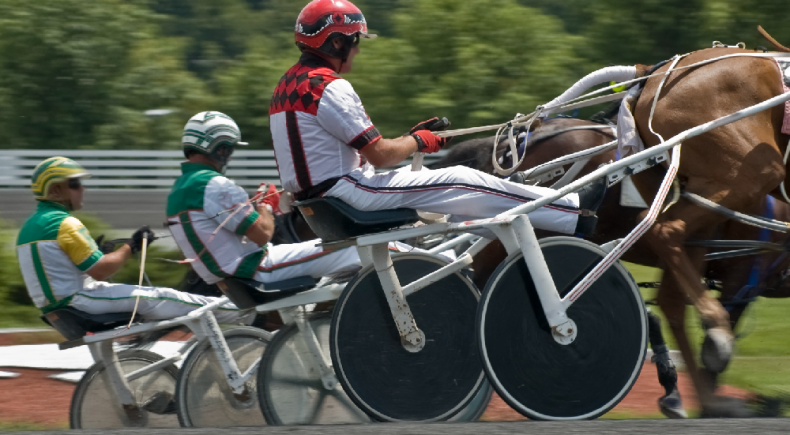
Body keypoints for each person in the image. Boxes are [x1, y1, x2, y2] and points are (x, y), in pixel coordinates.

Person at [269, 0, 606, 236]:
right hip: (350, 193)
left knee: (457, 200)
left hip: (327, 200)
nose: (357, 48)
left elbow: (355, 149)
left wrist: (410, 138)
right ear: (337, 41)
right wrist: (418, 141)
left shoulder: (286, 87)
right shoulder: (328, 87)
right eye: (354, 40)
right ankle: (573, 213)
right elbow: (381, 155)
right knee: (461, 179)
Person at [167, 111, 399, 289]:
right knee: (360, 247)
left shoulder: (179, 189)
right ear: (221, 148)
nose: (229, 155)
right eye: (229, 149)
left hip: (229, 275)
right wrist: (265, 205)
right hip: (257, 268)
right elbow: (263, 234)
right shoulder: (214, 185)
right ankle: (426, 262)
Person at [16, 157, 250, 323]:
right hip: (80, 301)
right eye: (75, 184)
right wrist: (132, 246)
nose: (83, 188)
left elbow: (58, 270)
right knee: (164, 297)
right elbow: (101, 270)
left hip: (56, 307)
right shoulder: (64, 224)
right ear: (56, 191)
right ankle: (247, 312)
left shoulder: (29, 227)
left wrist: (98, 252)